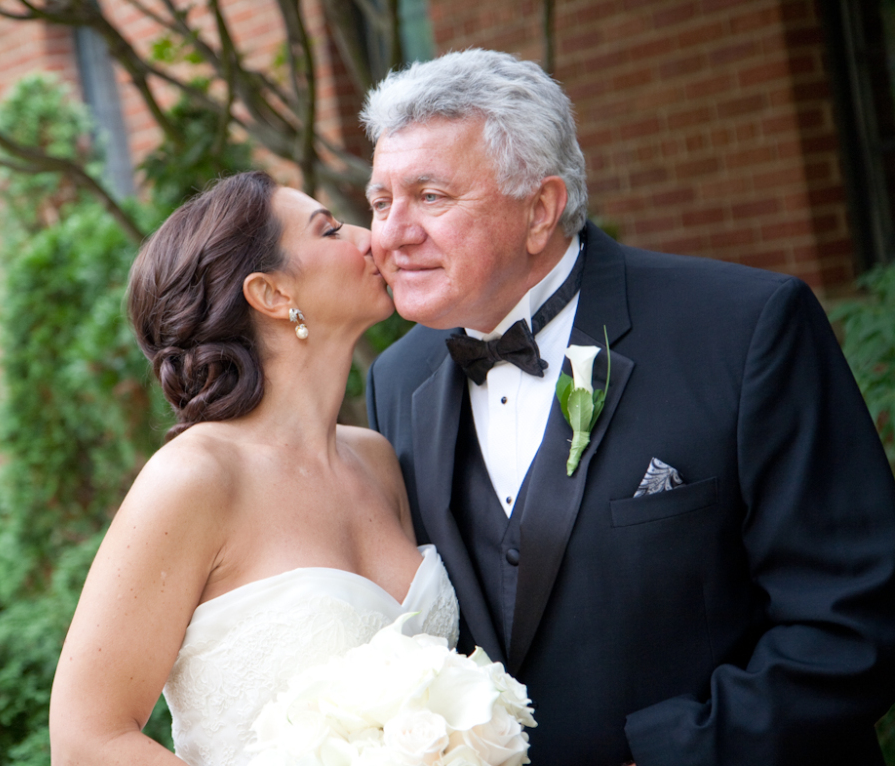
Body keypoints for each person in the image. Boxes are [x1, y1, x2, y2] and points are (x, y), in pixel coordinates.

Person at [362, 48, 895, 766]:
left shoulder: (745, 329)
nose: (392, 234)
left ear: (540, 209)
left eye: (430, 197)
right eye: (380, 202)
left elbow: (855, 621)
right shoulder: (396, 381)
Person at [48, 171, 458, 766]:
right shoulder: (195, 477)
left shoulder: (375, 460)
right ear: (271, 293)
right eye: (329, 231)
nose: (370, 237)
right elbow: (85, 741)